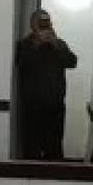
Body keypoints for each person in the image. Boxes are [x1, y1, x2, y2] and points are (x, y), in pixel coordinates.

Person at [15, 9, 78, 160]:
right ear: (33, 25)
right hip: (32, 108)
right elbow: (22, 65)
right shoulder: (24, 45)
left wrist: (56, 44)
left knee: (55, 147)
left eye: (47, 22)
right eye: (41, 23)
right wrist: (36, 45)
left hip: (55, 107)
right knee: (32, 148)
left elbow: (72, 62)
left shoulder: (58, 44)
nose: (45, 26)